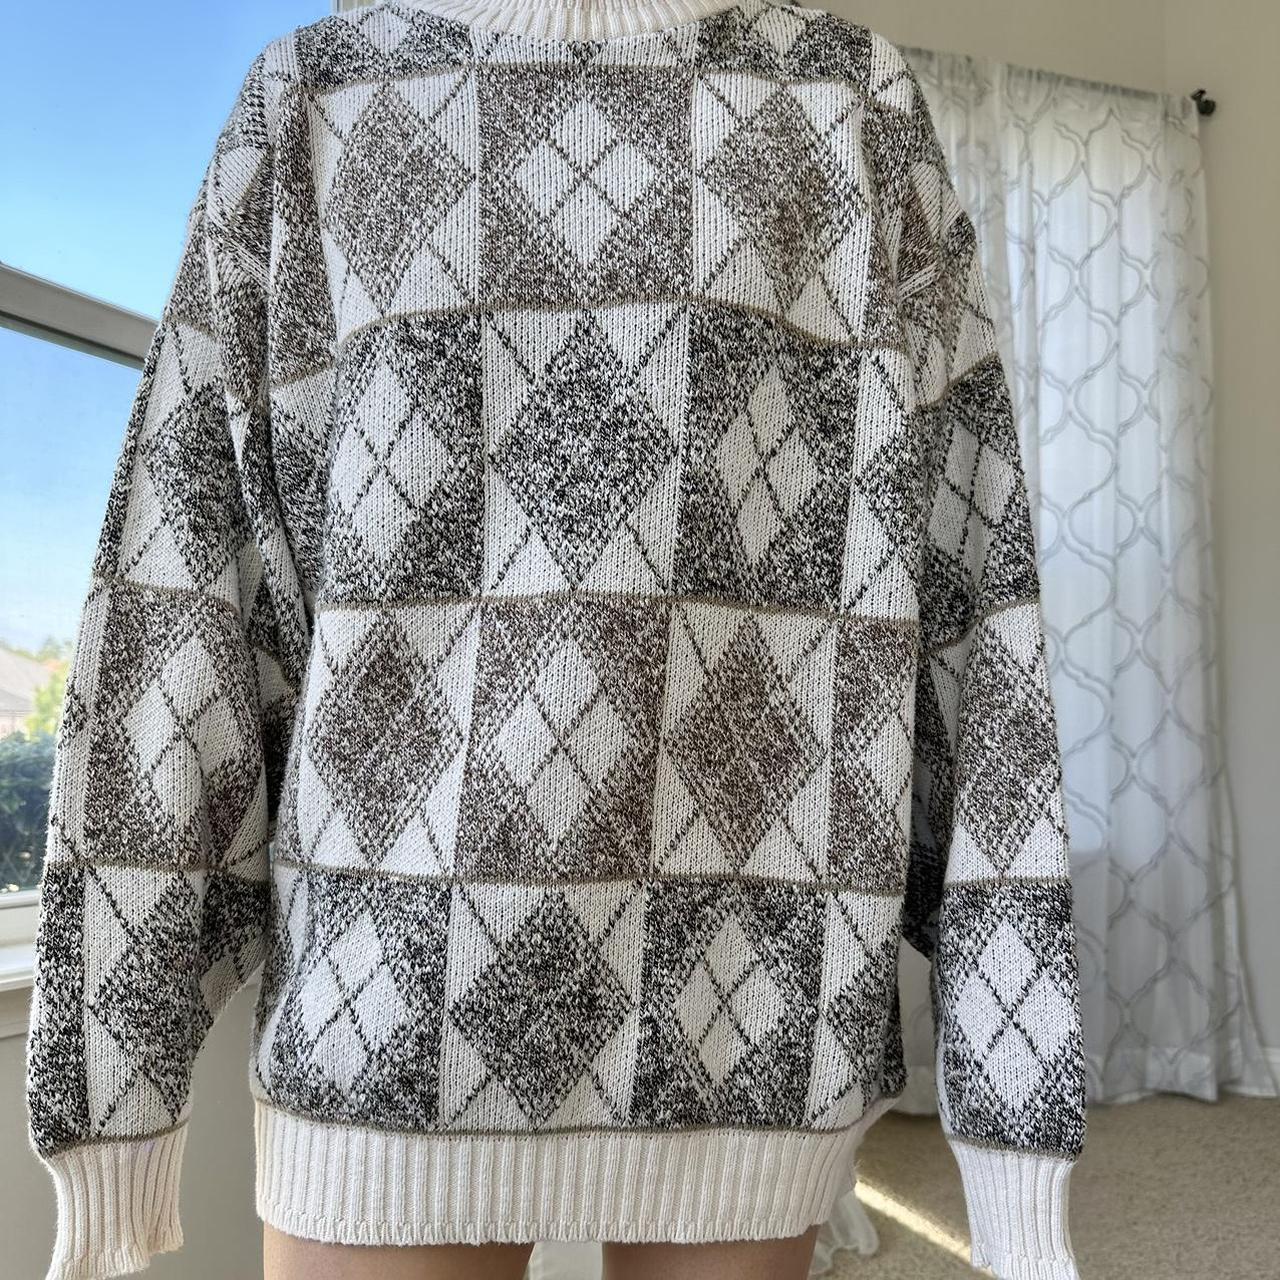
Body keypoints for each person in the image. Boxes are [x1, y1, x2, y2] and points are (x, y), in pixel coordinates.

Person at [25, 1, 1088, 1278]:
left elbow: (971, 577)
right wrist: (111, 1096)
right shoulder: (315, 99)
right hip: (384, 1006)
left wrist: (1015, 1125)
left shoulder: (842, 98)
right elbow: (181, 579)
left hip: (750, 1008)